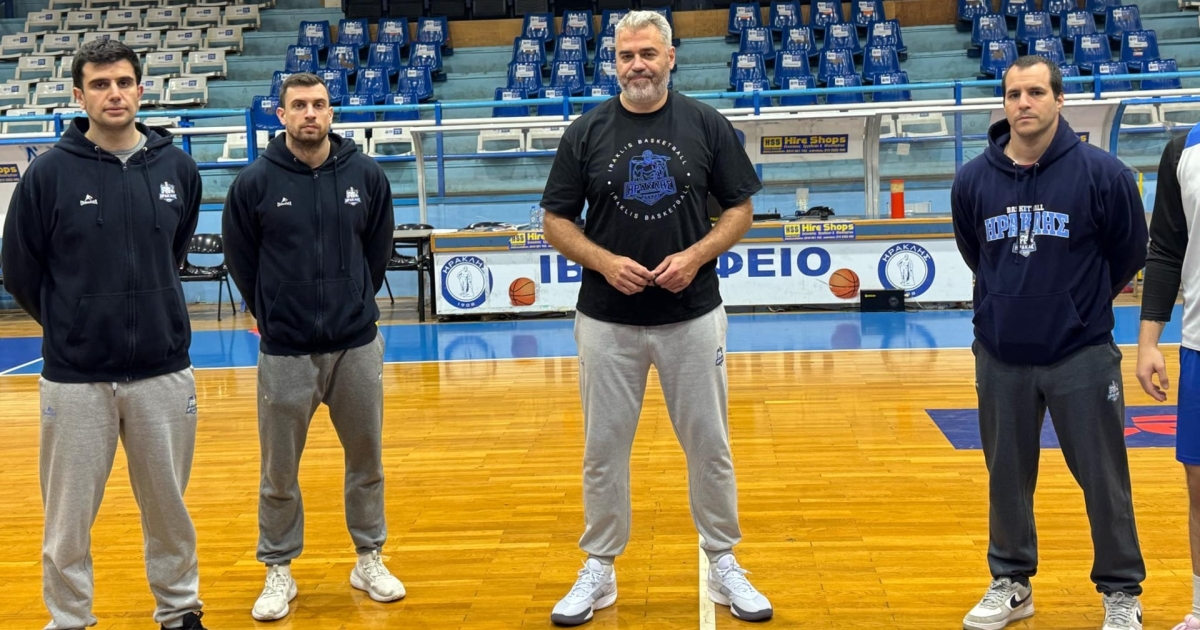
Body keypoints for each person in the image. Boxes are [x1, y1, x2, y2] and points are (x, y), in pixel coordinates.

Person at [539, 10, 772, 627]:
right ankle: (600, 566)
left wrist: (696, 256)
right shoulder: (585, 131)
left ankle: (723, 559)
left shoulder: (706, 124)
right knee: (603, 450)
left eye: (647, 53)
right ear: (613, 62)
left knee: (710, 446)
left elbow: (740, 209)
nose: (636, 65)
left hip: (691, 316)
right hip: (607, 319)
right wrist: (602, 260)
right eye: (626, 55)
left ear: (671, 57)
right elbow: (555, 220)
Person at [1, 39, 207, 630]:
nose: (112, 94)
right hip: (76, 378)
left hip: (163, 371)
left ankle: (179, 610)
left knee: (168, 508)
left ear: (141, 90)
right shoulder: (48, 173)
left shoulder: (177, 169)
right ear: (78, 95)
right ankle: (70, 618)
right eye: (99, 84)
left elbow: (174, 251)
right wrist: (73, 323)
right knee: (67, 516)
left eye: (122, 82)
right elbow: (19, 268)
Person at [951, 55, 1148, 630]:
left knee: (1104, 478)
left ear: (1060, 100)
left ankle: (1122, 591)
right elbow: (976, 254)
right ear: (1004, 103)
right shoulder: (972, 180)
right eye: (1014, 94)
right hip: (1000, 353)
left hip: (1081, 352)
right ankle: (1011, 582)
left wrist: (1078, 306)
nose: (1024, 104)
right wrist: (1007, 304)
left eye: (1036, 92)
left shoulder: (1103, 174)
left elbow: (1129, 252)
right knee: (1006, 478)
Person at [222, 72, 399, 622]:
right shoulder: (254, 182)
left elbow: (377, 251)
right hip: (285, 350)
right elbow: (242, 261)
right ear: (280, 115)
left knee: (367, 461)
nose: (310, 114)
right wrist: (275, 312)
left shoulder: (366, 175)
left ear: (331, 112)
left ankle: (369, 557)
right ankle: (278, 567)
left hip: (355, 345)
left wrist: (353, 301)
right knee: (279, 471)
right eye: (298, 105)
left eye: (319, 104)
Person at [1136, 126, 1200, 630]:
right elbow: (1165, 251)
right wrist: (1148, 341)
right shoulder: (1183, 150)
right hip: (1199, 346)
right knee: (1199, 485)